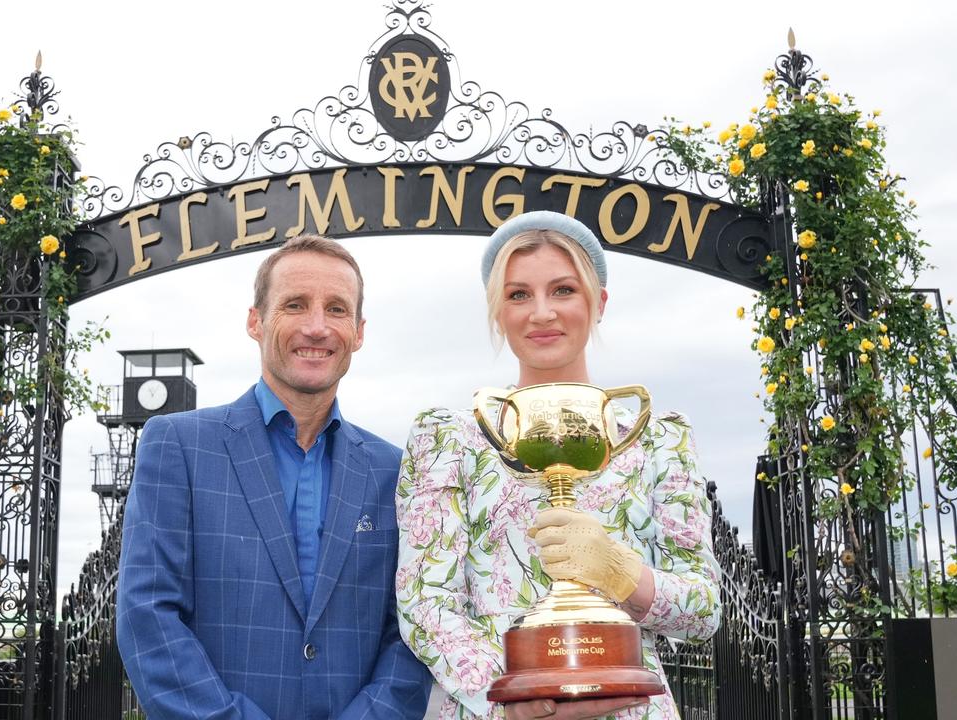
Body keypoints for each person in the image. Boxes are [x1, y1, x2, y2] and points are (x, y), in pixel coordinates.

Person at [394, 211, 721, 720]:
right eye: (518, 294)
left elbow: (703, 611)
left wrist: (619, 570)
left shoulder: (659, 438)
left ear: (599, 304)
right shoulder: (448, 438)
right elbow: (426, 602)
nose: (541, 313)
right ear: (497, 311)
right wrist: (516, 705)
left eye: (563, 290)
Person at [117, 235, 431, 719]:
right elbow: (148, 617)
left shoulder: (395, 472)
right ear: (255, 320)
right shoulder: (178, 446)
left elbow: (411, 630)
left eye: (337, 309)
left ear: (360, 331)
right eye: (295, 305)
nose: (317, 327)